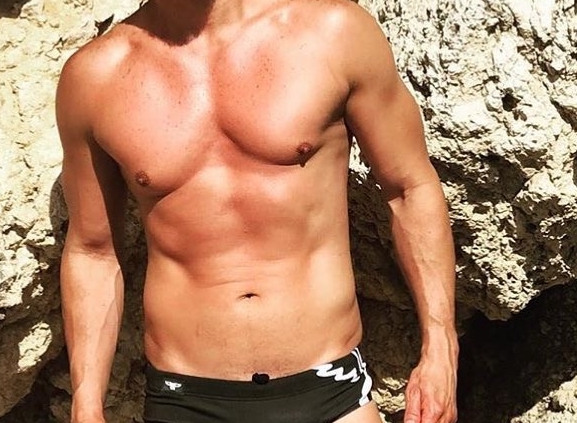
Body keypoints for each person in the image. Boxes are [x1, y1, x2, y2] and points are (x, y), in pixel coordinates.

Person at [55, 0, 458, 422]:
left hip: (331, 391)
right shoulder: (95, 78)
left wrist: (441, 348)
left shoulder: (332, 31)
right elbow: (93, 250)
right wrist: (86, 404)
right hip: (184, 399)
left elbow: (409, 188)